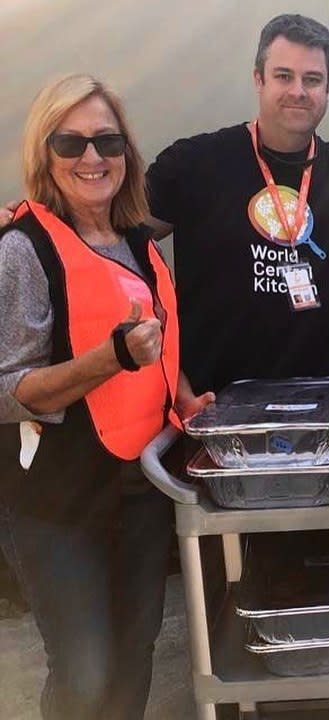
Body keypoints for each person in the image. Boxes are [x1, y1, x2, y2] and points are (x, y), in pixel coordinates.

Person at [0, 74, 212, 720]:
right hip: (57, 505)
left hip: (141, 491)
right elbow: (7, 391)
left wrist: (184, 398)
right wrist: (107, 359)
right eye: (71, 142)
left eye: (107, 141)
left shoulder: (142, 244)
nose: (92, 158)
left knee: (135, 656)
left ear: (127, 153)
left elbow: (156, 350)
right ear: (45, 154)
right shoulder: (22, 250)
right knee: (86, 674)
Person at [145, 13, 329, 395]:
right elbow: (121, 247)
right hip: (216, 404)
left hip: (327, 406)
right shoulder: (194, 164)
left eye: (313, 79)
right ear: (259, 79)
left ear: (328, 88)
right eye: (284, 76)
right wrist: (168, 365)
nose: (298, 91)